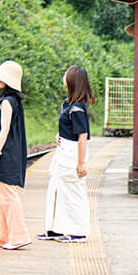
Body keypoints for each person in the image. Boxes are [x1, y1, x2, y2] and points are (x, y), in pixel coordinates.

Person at [38, 66, 92, 242]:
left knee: (73, 190)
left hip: (72, 152)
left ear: (72, 81)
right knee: (57, 188)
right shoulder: (67, 103)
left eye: (66, 76)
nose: (63, 78)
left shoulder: (78, 108)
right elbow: (67, 127)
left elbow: (82, 136)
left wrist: (81, 162)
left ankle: (78, 232)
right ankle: (56, 228)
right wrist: (59, 135)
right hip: (63, 150)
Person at [0, 60, 30, 250]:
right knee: (3, 195)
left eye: (1, 77)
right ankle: (2, 236)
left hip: (6, 152)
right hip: (13, 151)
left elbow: (4, 130)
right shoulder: (14, 101)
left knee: (8, 195)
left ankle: (19, 236)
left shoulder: (6, 103)